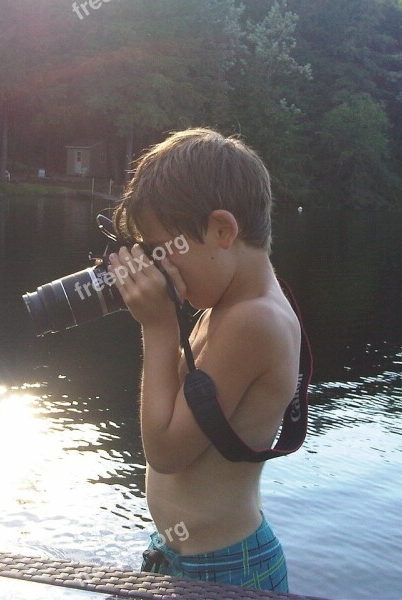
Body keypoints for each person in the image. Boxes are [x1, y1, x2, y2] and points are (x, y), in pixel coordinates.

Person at [107, 128, 301, 593]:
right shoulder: (229, 306)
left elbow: (168, 452)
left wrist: (157, 326)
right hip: (186, 557)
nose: (161, 268)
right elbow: (178, 404)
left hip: (225, 570)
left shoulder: (252, 321)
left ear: (221, 230)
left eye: (163, 250)